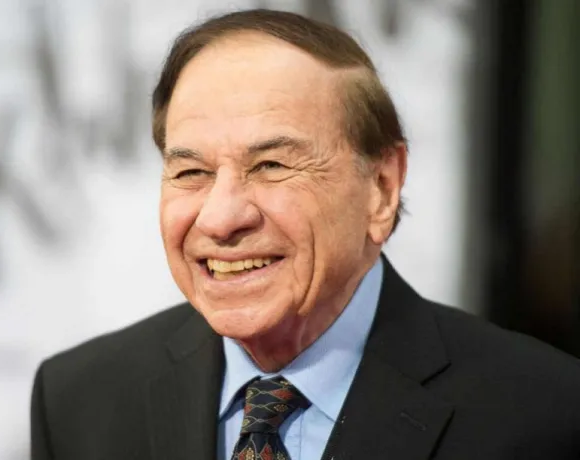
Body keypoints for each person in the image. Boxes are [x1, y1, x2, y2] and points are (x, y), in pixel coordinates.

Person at [30, 9, 580, 460]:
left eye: (271, 165)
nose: (220, 219)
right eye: (191, 172)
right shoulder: (78, 401)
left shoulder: (546, 412)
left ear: (381, 188)